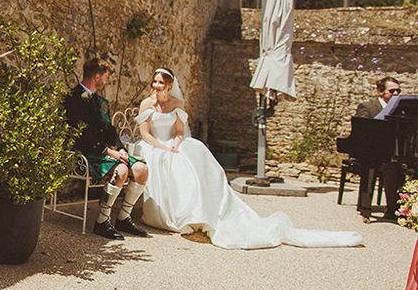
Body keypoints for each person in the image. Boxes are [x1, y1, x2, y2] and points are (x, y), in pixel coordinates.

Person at [133, 68, 364, 250]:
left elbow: (181, 132)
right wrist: (162, 146)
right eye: (154, 82)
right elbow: (145, 133)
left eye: (160, 83)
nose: (156, 86)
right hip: (153, 145)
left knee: (195, 154)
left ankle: (197, 211)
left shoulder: (177, 105)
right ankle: (167, 213)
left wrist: (175, 143)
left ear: (170, 85)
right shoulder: (146, 104)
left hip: (171, 144)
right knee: (166, 161)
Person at [64, 58, 149, 240]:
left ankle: (123, 218)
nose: (107, 79)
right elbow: (79, 136)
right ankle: (102, 222)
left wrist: (120, 148)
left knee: (142, 170)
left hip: (105, 152)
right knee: (121, 170)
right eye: (106, 75)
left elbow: (109, 129)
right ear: (96, 76)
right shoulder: (72, 99)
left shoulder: (101, 101)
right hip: (85, 153)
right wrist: (109, 152)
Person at [355, 76, 405, 220]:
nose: (396, 93)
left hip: (390, 151)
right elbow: (361, 128)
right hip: (369, 150)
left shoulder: (400, 109)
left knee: (395, 168)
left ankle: (392, 209)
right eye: (392, 90)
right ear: (380, 92)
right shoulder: (368, 106)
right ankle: (366, 209)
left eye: (398, 90)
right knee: (373, 166)